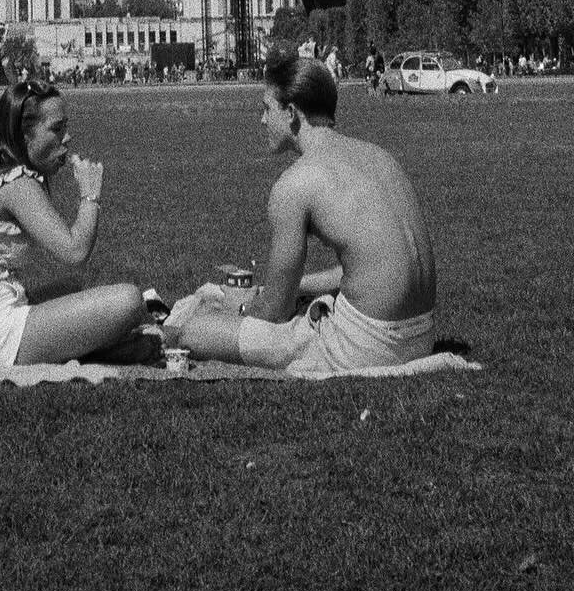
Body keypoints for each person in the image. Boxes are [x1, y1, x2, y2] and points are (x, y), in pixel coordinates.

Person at [168, 47, 437, 376]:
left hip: (366, 347)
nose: (262, 119)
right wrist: (298, 286)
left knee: (191, 328)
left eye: (267, 108)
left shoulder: (295, 184)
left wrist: (239, 306)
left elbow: (275, 312)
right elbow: (377, 267)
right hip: (421, 335)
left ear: (292, 112)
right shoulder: (379, 156)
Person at [0, 80, 148, 366]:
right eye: (56, 128)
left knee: (77, 288)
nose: (67, 138)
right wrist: (90, 195)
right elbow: (75, 252)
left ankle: (107, 350)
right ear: (24, 134)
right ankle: (108, 350)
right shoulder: (16, 183)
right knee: (129, 301)